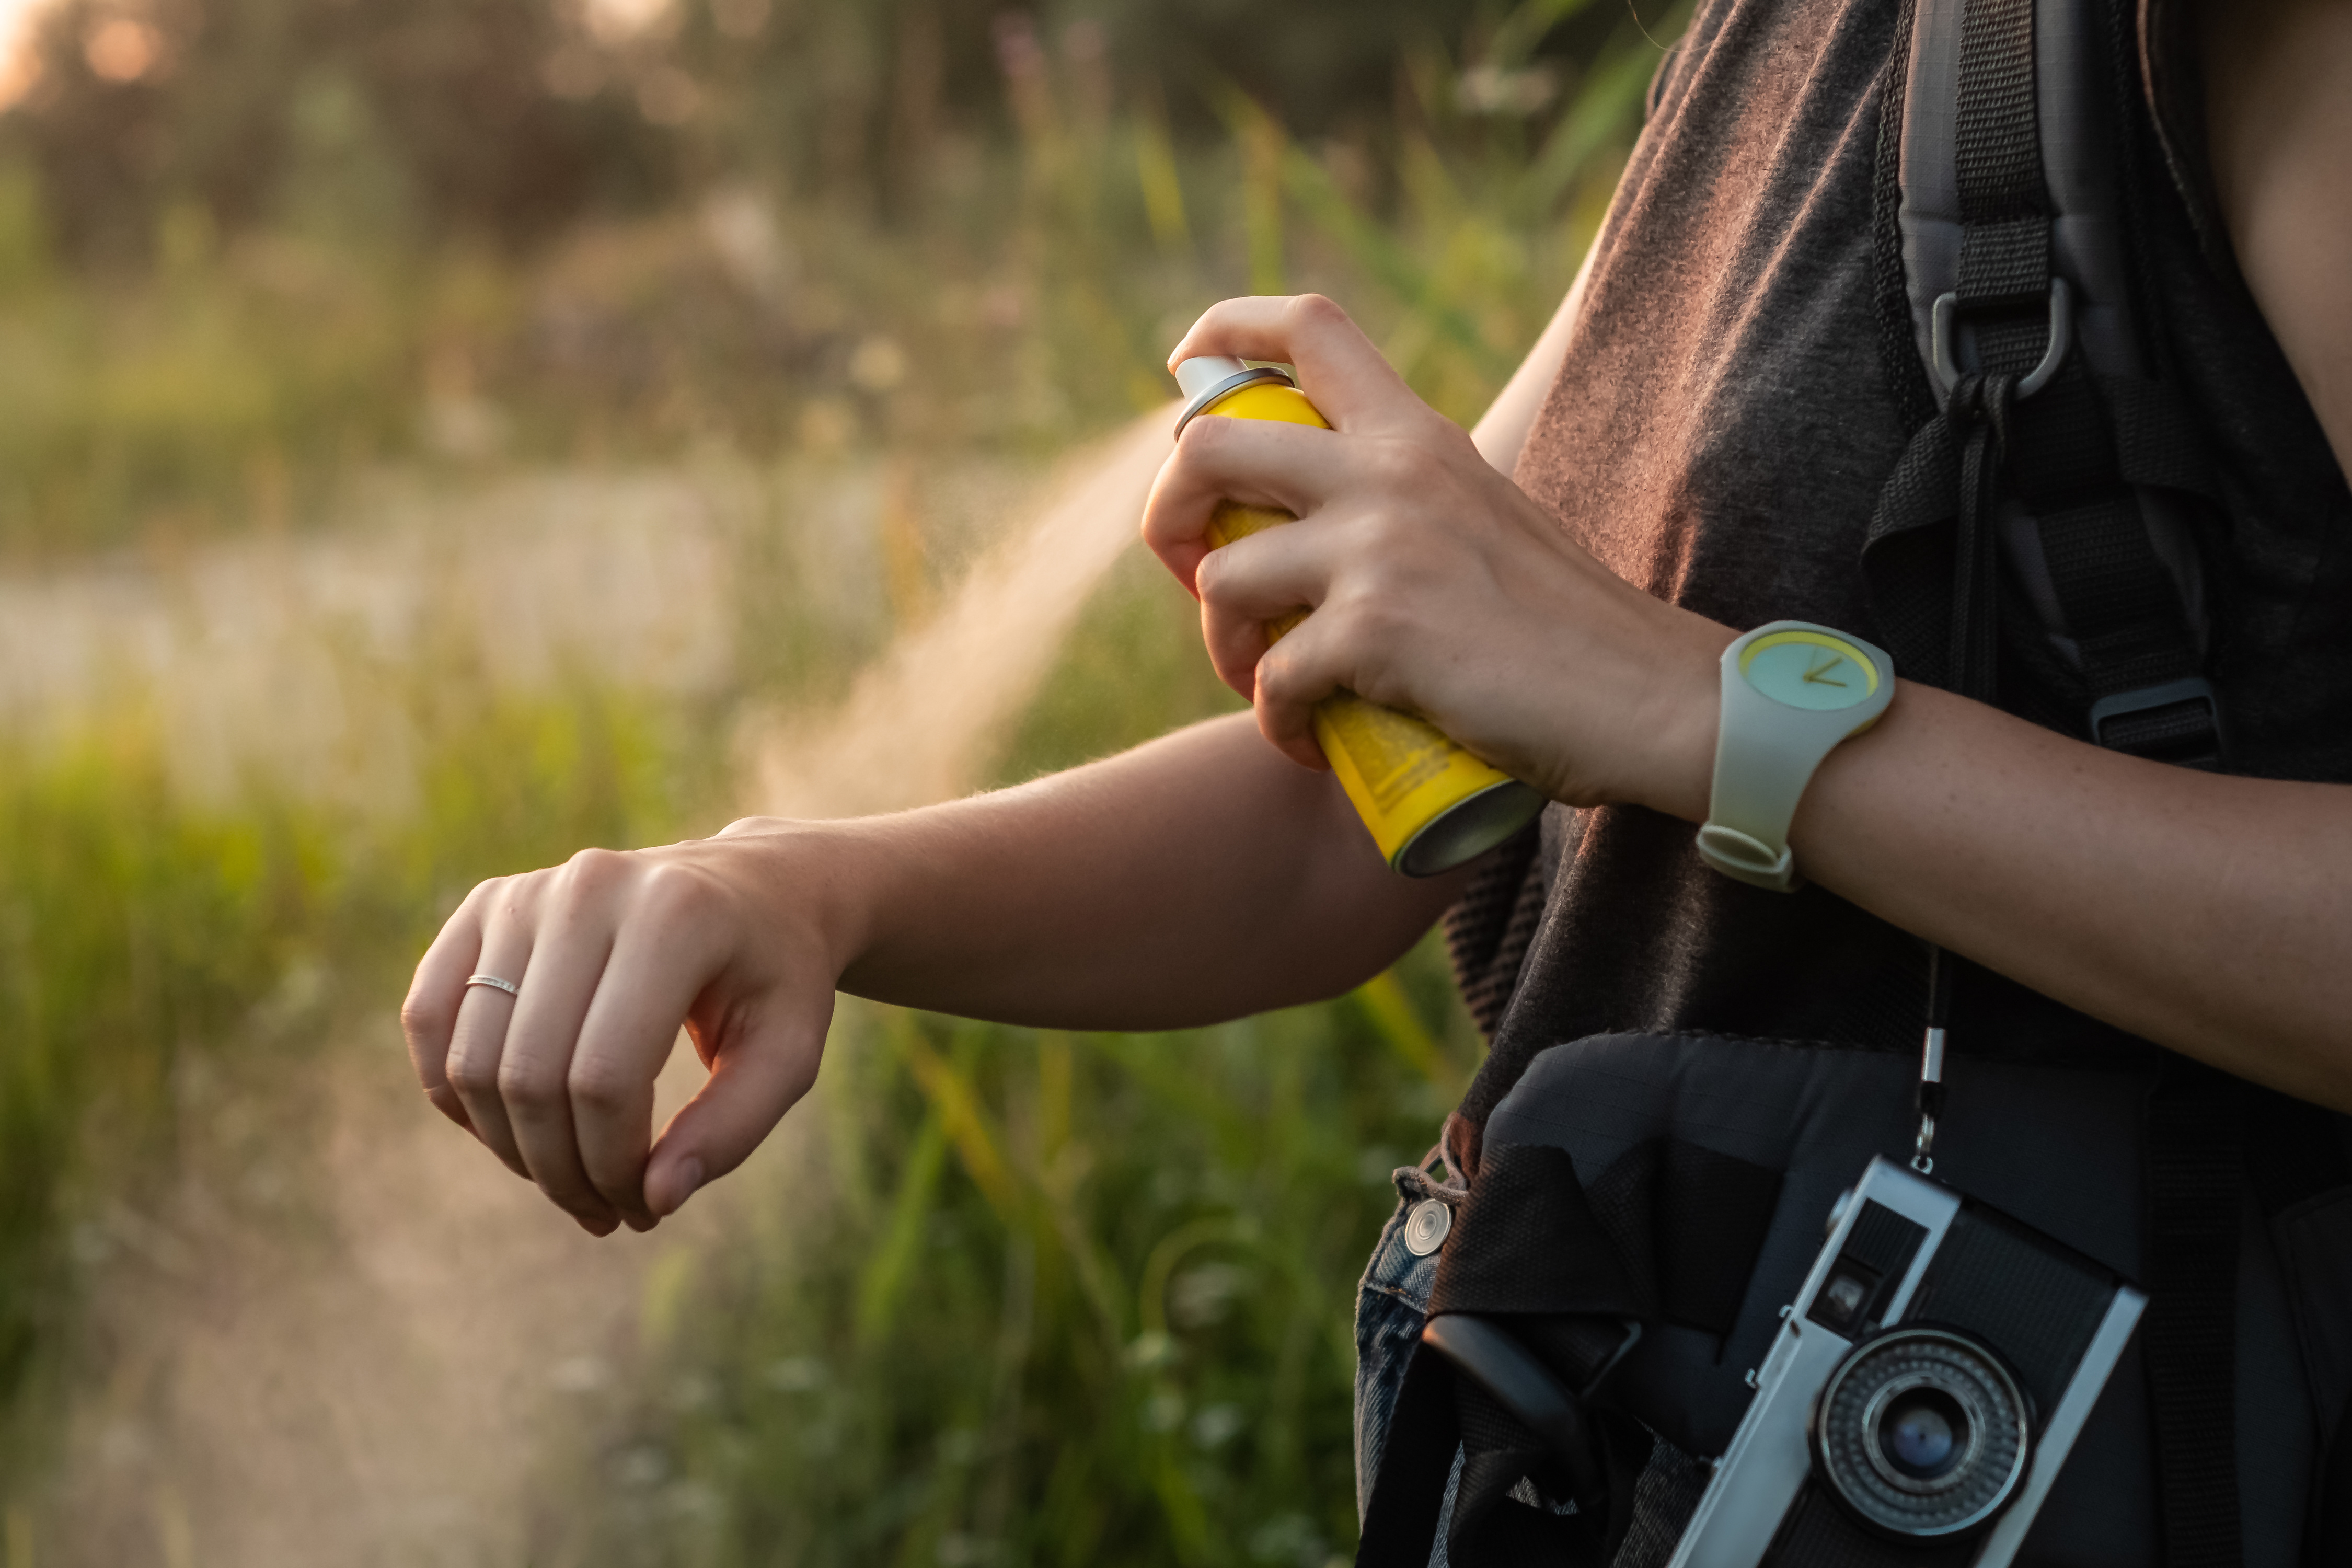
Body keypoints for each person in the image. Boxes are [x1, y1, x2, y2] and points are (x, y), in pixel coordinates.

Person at [401, 0, 2350, 1556]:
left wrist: (1711, 716)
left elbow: (1619, 692)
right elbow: (1360, 817)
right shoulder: (1784, 44)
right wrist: (804, 887)